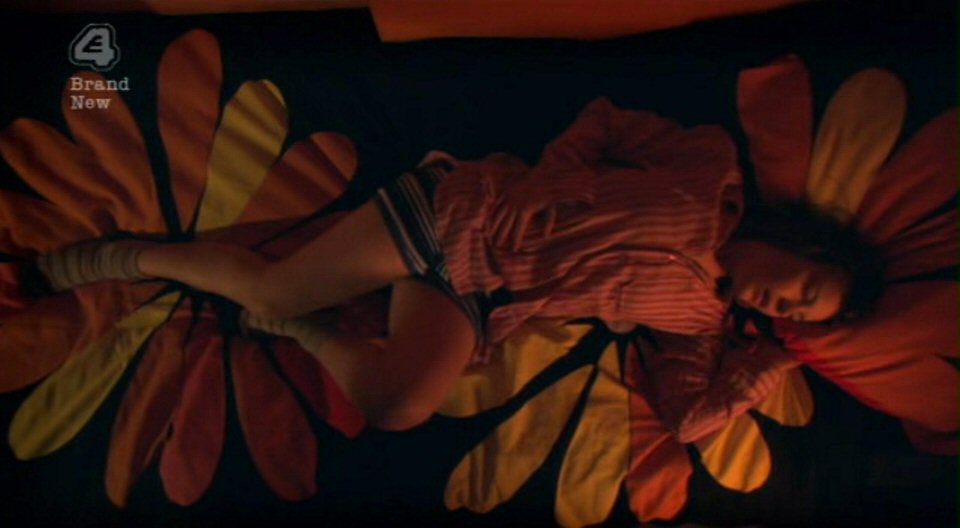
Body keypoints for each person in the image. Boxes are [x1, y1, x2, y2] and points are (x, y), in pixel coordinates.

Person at [32, 97, 883, 439]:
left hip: (479, 295)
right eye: (804, 290)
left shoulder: (701, 323)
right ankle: (113, 257)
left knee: (399, 405)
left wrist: (766, 365)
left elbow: (689, 419)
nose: (785, 304)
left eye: (796, 314)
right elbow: (607, 120)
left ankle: (303, 330)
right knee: (270, 283)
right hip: (460, 213)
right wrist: (549, 181)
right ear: (803, 246)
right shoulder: (711, 169)